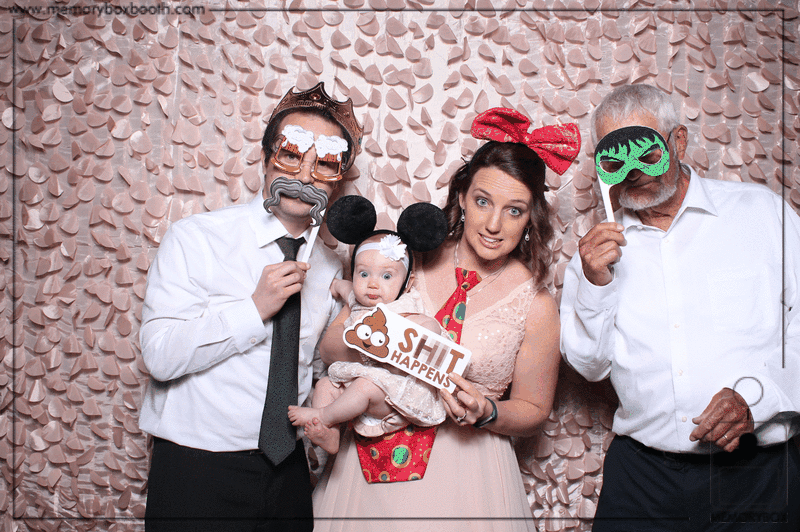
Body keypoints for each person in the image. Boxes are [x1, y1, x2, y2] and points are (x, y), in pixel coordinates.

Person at [312, 108, 580, 531]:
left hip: (467, 477)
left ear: (532, 217)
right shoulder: (408, 259)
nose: (494, 225)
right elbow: (330, 349)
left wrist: (488, 411)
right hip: (368, 464)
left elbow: (534, 409)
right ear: (462, 197)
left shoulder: (536, 302)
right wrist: (383, 340)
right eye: (483, 202)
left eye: (514, 211)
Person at [560, 84, 800, 531]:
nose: (633, 172)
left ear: (679, 142)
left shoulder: (761, 215)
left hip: (757, 476)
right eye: (615, 161)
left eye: (647, 154)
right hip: (642, 480)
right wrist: (595, 284)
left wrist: (758, 398)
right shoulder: (594, 255)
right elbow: (590, 367)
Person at [138, 82, 363, 531]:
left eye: (324, 163)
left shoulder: (330, 265)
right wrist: (254, 308)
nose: (305, 176)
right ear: (264, 158)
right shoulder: (197, 239)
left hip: (288, 471)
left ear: (337, 179)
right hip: (196, 469)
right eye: (291, 154)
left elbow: (315, 368)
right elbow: (159, 357)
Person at [289, 197, 449, 454]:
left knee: (364, 386)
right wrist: (338, 286)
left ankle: (324, 416)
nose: (373, 284)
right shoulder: (357, 299)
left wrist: (427, 327)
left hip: (391, 389)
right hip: (354, 380)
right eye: (363, 274)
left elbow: (426, 325)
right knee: (324, 385)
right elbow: (346, 290)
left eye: (386, 276)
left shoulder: (403, 307)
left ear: (407, 284)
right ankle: (330, 434)